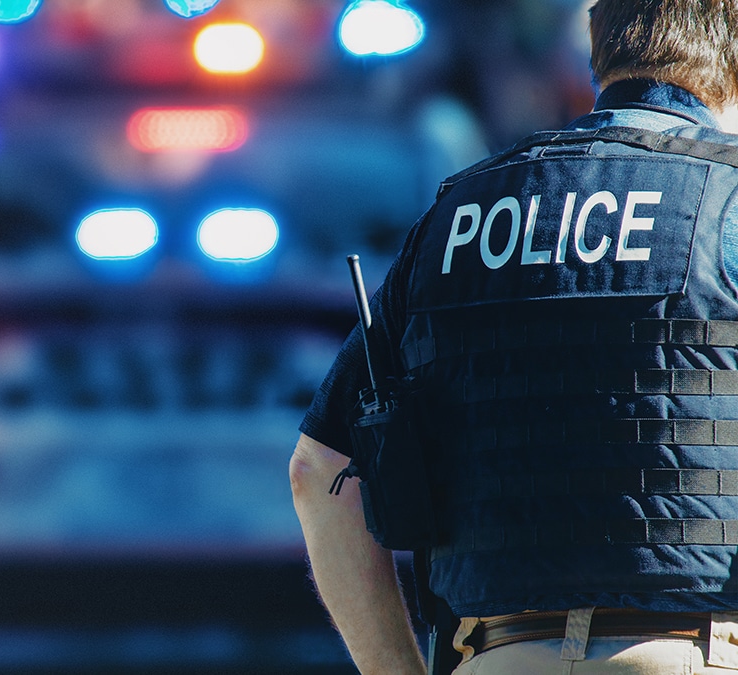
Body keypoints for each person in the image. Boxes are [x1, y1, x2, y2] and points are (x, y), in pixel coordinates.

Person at [289, 1, 738, 673]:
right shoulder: (728, 195)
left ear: (599, 52)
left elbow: (317, 470)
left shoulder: (459, 214)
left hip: (494, 656)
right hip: (691, 651)